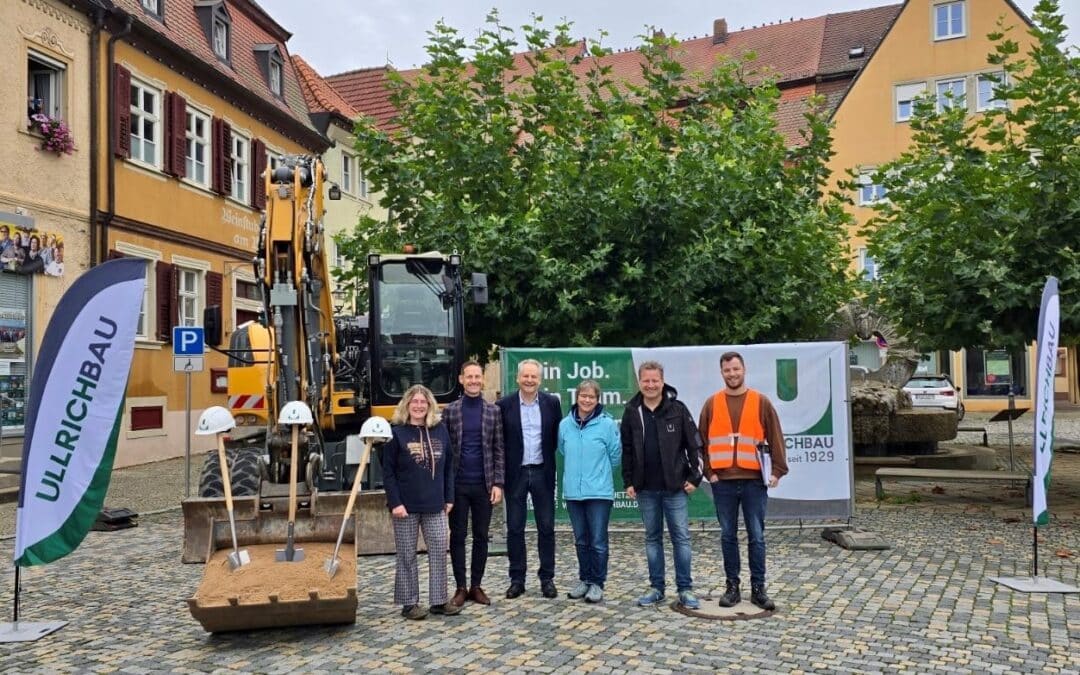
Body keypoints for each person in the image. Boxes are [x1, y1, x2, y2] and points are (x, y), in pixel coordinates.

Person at [698, 351, 788, 611]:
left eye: (736, 369)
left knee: (756, 536)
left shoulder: (760, 402)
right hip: (723, 482)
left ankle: (758, 588)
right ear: (721, 372)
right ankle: (732, 587)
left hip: (753, 482)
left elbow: (775, 435)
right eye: (727, 370)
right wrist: (710, 473)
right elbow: (701, 442)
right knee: (728, 535)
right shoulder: (712, 403)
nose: (732, 374)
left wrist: (777, 470)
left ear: (744, 369)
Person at [620, 360, 703, 610]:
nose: (651, 385)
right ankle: (657, 588)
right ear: (639, 381)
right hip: (645, 488)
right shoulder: (632, 411)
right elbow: (626, 450)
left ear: (662, 380)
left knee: (681, 538)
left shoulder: (677, 409)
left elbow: (695, 445)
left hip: (675, 488)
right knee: (652, 539)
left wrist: (695, 477)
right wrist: (629, 480)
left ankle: (685, 589)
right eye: (646, 380)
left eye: (655, 380)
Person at [381, 384, 461, 620]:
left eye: (423, 402)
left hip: (435, 503)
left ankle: (438, 600)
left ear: (429, 406)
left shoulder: (440, 430)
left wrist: (449, 497)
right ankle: (409, 603)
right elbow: (388, 472)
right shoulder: (396, 433)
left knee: (438, 551)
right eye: (414, 402)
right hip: (405, 505)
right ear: (407, 405)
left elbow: (448, 467)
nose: (418, 406)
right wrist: (395, 502)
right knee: (407, 554)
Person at [497, 358, 562, 600]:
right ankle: (517, 579)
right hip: (516, 473)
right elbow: (500, 441)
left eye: (534, 376)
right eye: (526, 376)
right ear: (518, 378)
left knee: (546, 527)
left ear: (540, 379)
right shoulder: (504, 405)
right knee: (515, 527)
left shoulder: (552, 403)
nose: (529, 380)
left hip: (543, 471)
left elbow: (556, 437)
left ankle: (547, 578)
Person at [442, 360, 504, 607]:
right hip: (457, 485)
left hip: (484, 485)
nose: (474, 381)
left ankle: (476, 585)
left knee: (481, 536)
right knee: (458, 536)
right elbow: (445, 452)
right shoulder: (451, 411)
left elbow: (499, 449)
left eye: (477, 376)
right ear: (461, 379)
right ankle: (460, 587)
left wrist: (498, 483)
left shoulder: (493, 411)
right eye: (469, 377)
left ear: (483, 379)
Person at [559, 379, 621, 604]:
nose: (587, 400)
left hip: (599, 493)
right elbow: (563, 449)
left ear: (597, 400)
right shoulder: (565, 425)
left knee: (597, 540)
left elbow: (615, 456)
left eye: (591, 397)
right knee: (581, 540)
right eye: (583, 396)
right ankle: (584, 579)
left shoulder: (607, 424)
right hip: (574, 493)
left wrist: (598, 475)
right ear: (576, 397)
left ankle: (597, 582)